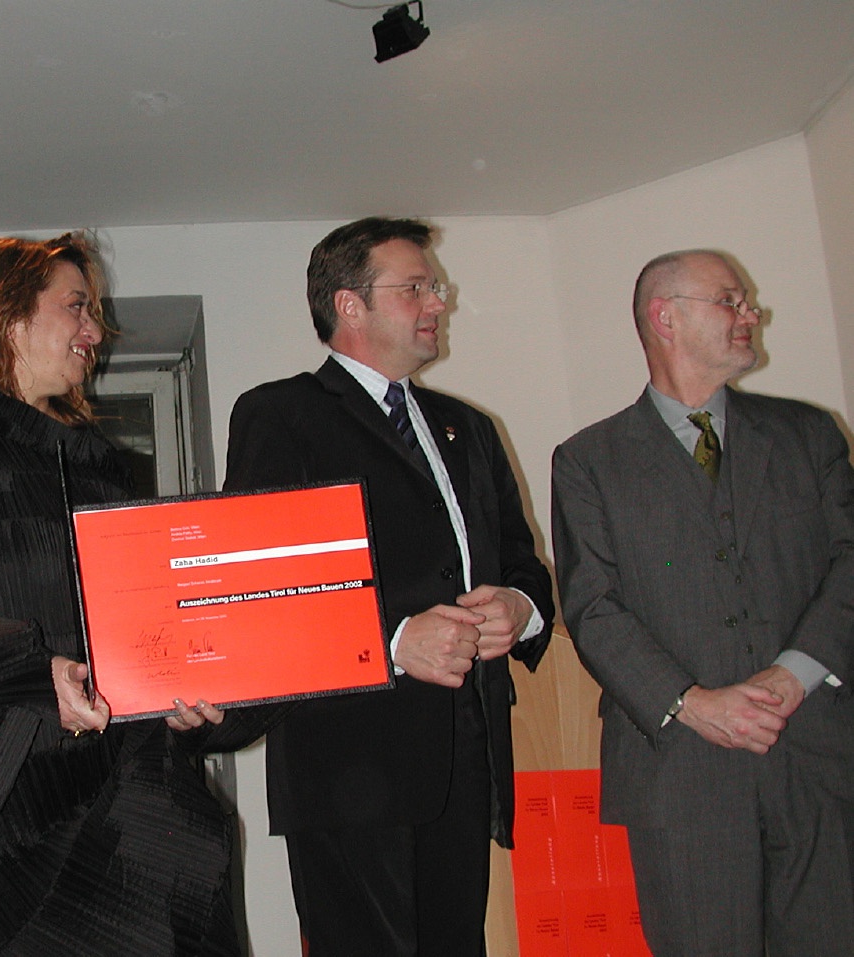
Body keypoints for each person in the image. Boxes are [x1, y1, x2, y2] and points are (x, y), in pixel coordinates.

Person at [0, 232, 276, 956]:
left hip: (102, 770)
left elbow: (130, 626)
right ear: (7, 315)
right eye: (76, 307)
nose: (94, 334)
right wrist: (26, 672)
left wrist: (179, 692)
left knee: (180, 865)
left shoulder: (95, 471)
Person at [223, 216, 554, 956]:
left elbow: (520, 560)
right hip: (346, 764)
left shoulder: (468, 428)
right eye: (416, 288)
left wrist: (520, 607)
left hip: (464, 759)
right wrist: (394, 641)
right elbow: (265, 591)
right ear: (350, 304)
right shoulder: (281, 415)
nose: (438, 302)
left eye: (435, 288)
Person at [551, 249, 854, 956]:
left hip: (817, 762)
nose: (752, 313)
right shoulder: (588, 460)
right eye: (731, 300)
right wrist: (694, 703)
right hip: (679, 774)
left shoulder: (809, 434)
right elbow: (592, 607)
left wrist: (792, 676)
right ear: (666, 318)